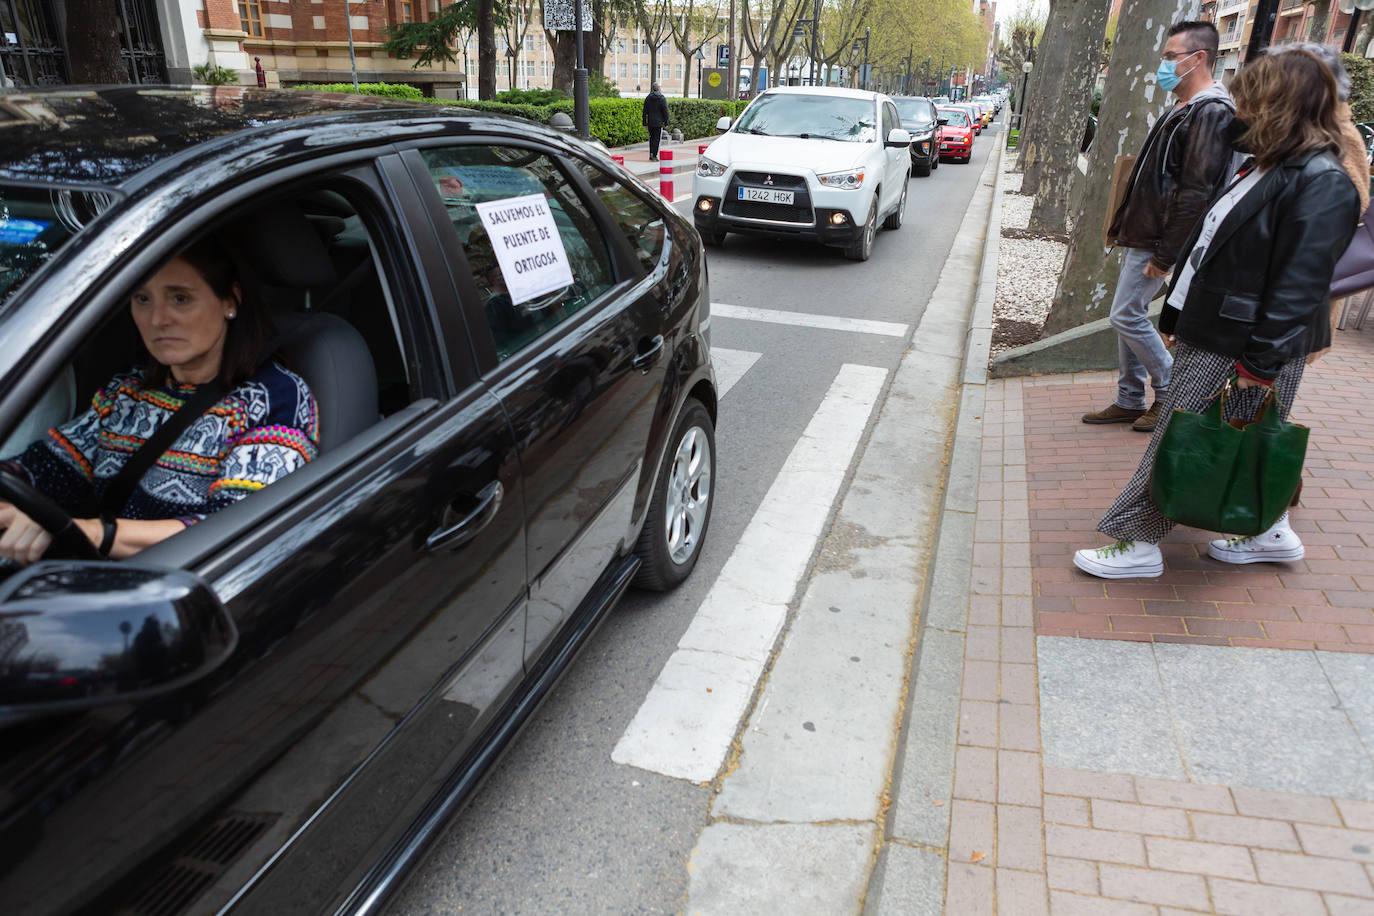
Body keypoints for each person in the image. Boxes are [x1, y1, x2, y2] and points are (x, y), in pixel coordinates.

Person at [1073, 49, 1361, 579]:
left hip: (1243, 342)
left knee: (1181, 437)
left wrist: (1260, 363)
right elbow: (1215, 245)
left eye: (1251, 96)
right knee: (1241, 436)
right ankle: (1270, 531)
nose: (1239, 106)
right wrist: (1181, 316)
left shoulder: (1320, 179)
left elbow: (1300, 286)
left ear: (1283, 103)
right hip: (1224, 331)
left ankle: (1139, 543)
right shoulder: (1270, 162)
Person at [0, 236, 320, 565]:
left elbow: (236, 527)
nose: (157, 319)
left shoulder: (275, 399)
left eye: (180, 298)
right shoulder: (126, 392)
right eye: (142, 299)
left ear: (230, 301)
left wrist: (96, 533)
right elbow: (48, 468)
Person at [1088, 21, 1237, 433]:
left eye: (1172, 57)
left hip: (1161, 238)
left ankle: (1170, 391)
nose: (1164, 65)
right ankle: (1130, 398)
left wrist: (1167, 254)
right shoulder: (1184, 107)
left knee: (1125, 315)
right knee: (1130, 313)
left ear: (1199, 58)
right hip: (1148, 232)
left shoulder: (1211, 112)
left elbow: (1196, 191)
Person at [643, 82, 669, 161]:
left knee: (651, 138)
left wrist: (644, 122)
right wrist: (666, 122)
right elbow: (665, 111)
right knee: (657, 139)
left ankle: (651, 154)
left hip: (650, 122)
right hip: (658, 123)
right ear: (658, 88)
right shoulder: (662, 98)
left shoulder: (648, 98)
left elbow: (645, 111)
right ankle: (654, 155)